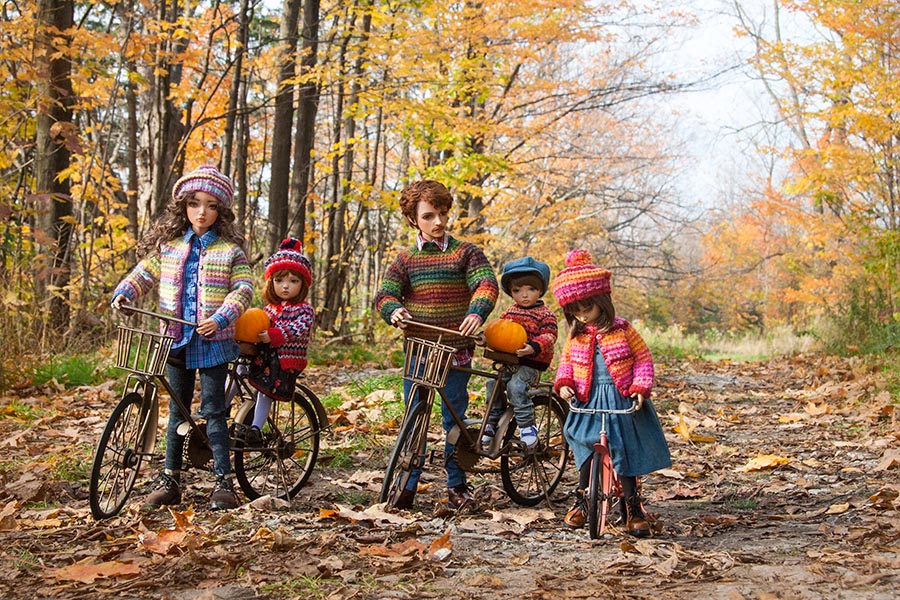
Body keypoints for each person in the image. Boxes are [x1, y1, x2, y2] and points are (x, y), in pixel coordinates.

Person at [111, 165, 253, 511]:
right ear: (183, 207)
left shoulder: (229, 251)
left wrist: (221, 318)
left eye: (210, 205)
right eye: (194, 203)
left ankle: (223, 481)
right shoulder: (170, 247)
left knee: (213, 410)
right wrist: (125, 293)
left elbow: (244, 288)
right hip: (174, 340)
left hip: (214, 342)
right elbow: (143, 274)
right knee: (176, 411)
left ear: (221, 211)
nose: (201, 212)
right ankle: (170, 478)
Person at [375, 179, 498, 510]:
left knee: (453, 417)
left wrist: (476, 311)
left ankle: (457, 485)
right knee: (414, 415)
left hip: (456, 348)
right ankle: (407, 485)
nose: (438, 222)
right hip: (419, 350)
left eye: (443, 214)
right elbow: (384, 294)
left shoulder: (465, 252)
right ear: (413, 218)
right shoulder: (405, 259)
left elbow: (485, 283)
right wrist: (394, 310)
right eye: (429, 215)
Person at [551, 249, 671, 536]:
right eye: (575, 312)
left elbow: (643, 358)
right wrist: (564, 383)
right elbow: (566, 363)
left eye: (587, 309)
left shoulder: (622, 329)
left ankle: (632, 506)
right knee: (586, 446)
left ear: (602, 302)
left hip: (619, 397)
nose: (582, 316)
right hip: (588, 399)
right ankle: (583, 499)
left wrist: (641, 386)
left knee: (623, 449)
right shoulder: (576, 336)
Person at [482, 256, 558, 449]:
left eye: (530, 289)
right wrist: (484, 338)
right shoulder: (510, 312)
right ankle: (492, 421)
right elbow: (498, 330)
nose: (524, 295)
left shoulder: (545, 314)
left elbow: (550, 335)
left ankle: (527, 426)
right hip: (510, 360)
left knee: (516, 386)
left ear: (540, 290)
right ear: (511, 292)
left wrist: (534, 346)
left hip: (531, 363)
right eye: (517, 290)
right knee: (493, 383)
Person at [244, 238, 316, 444]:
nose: (286, 286)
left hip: (285, 361)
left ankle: (256, 428)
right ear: (271, 282)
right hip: (265, 356)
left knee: (265, 391)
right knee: (238, 371)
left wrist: (275, 335)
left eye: (294, 281)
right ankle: (221, 408)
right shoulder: (269, 309)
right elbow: (257, 326)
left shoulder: (304, 310)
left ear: (303, 285)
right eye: (279, 281)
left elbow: (298, 328)